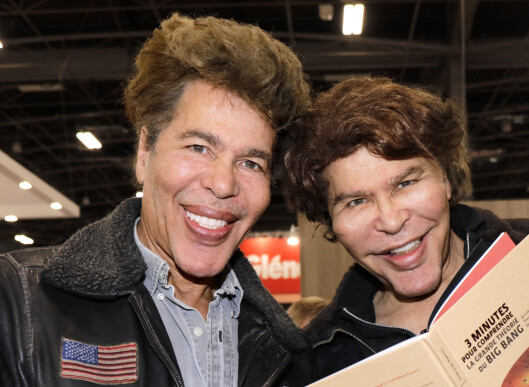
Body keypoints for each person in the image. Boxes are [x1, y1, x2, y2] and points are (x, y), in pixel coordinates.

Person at [0, 13, 315, 386]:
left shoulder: (289, 350)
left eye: (250, 162)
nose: (223, 183)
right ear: (144, 153)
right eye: (198, 147)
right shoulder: (20, 304)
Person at [281, 77, 529, 379]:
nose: (391, 220)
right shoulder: (320, 359)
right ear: (331, 220)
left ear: (446, 180)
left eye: (406, 183)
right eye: (356, 202)